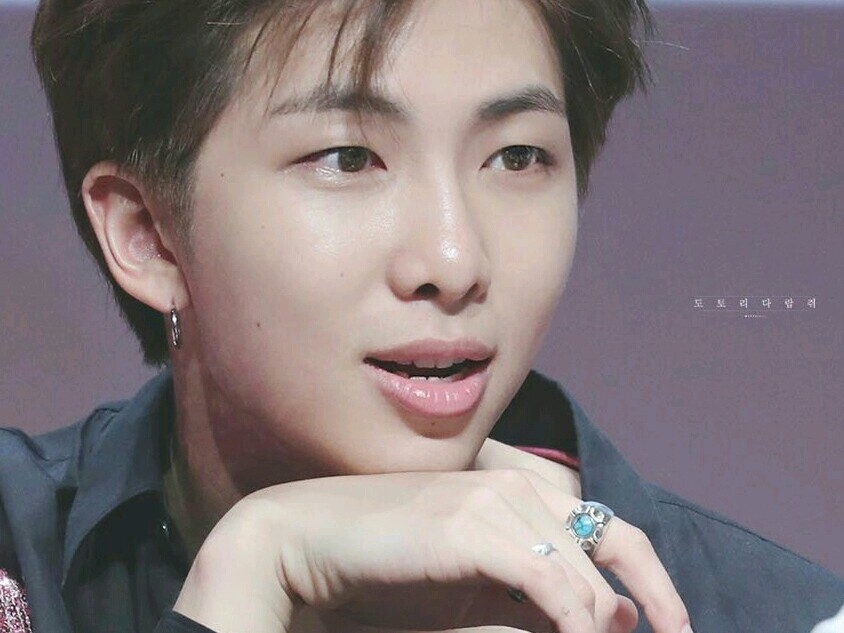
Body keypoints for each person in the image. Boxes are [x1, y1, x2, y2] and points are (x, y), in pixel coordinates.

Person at [1, 0, 842, 632]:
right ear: (148, 234)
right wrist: (251, 567)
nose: (455, 259)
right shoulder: (16, 553)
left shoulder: (781, 615)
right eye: (348, 158)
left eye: (517, 155)